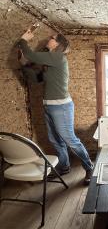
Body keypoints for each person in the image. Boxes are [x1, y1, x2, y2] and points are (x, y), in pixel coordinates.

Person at [17, 29, 94, 185]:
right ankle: (65, 167)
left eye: (51, 38)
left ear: (58, 44)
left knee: (70, 139)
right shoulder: (50, 62)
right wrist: (23, 66)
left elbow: (31, 55)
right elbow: (37, 79)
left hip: (61, 107)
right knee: (55, 139)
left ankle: (89, 167)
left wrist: (23, 39)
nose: (48, 39)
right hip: (49, 106)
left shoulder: (58, 57)